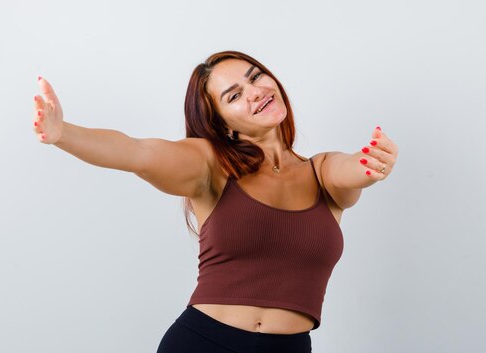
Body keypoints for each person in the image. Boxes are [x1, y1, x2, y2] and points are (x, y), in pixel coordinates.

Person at [32, 50, 398, 353]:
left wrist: (371, 162)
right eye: (234, 95)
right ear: (222, 123)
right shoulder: (210, 166)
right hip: (205, 342)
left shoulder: (322, 173)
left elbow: (349, 169)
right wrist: (64, 134)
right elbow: (137, 152)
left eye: (256, 77)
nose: (255, 92)